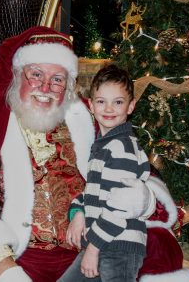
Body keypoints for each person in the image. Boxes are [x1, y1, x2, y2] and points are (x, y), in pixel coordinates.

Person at [0, 26, 189, 282]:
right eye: (36, 74)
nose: (46, 87)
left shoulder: (91, 117)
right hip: (20, 252)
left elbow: (137, 169)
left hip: (90, 244)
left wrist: (142, 198)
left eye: (57, 79)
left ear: (68, 87)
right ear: (17, 76)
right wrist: (6, 267)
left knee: (160, 244)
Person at [59, 64, 150, 282]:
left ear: (131, 106)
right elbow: (96, 192)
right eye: (101, 101)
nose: (109, 109)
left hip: (118, 248)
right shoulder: (104, 146)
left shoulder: (122, 148)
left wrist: (93, 249)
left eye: (118, 102)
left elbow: (120, 207)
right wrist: (78, 211)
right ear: (91, 105)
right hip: (102, 242)